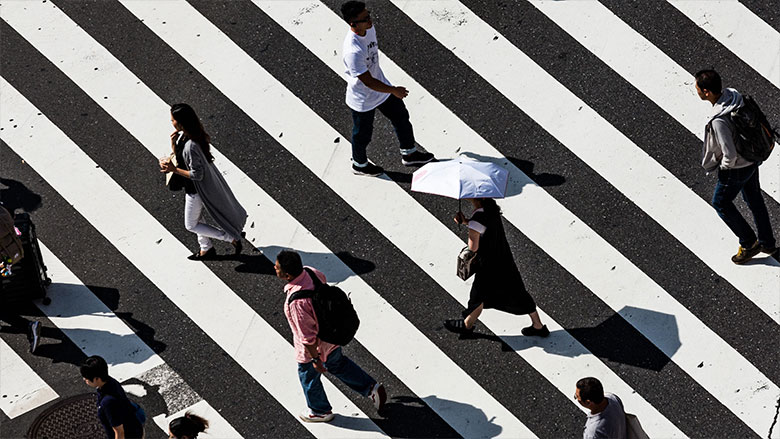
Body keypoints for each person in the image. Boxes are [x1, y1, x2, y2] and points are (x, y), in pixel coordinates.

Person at [274, 250, 386, 422]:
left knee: (308, 376)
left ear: (287, 274)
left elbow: (307, 337)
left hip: (315, 347)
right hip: (331, 334)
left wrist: (315, 360)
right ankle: (371, 388)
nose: (275, 267)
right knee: (338, 364)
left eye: (278, 267)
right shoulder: (311, 272)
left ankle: (320, 410)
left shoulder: (298, 302)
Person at [340, 1, 435, 176]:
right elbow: (368, 82)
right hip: (363, 98)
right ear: (353, 23)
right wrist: (393, 90)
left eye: (369, 15)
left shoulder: (369, 29)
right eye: (365, 18)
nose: (370, 20)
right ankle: (359, 164)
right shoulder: (353, 51)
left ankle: (409, 153)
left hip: (381, 87)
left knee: (401, 116)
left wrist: (389, 89)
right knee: (362, 134)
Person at [695, 69, 777, 264]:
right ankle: (767, 242)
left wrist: (724, 168)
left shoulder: (719, 121)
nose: (696, 90)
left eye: (698, 88)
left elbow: (729, 153)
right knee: (755, 200)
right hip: (752, 158)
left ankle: (749, 243)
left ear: (706, 92)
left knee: (721, 203)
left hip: (737, 168)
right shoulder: (734, 97)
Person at [444, 198, 548, 337]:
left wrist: (470, 228)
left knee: (478, 296)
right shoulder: (491, 210)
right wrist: (467, 222)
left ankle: (467, 325)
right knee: (518, 292)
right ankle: (538, 325)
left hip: (488, 266)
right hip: (503, 259)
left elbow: (473, 247)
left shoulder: (477, 219)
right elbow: (484, 228)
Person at [159, 103, 247, 260]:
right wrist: (173, 147)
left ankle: (231, 238)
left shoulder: (191, 144)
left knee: (191, 225)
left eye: (173, 120)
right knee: (197, 218)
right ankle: (206, 248)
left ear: (181, 122)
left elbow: (197, 174)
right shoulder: (186, 136)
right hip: (192, 188)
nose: (171, 123)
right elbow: (184, 159)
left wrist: (173, 170)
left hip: (196, 190)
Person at [80, 355, 145, 439]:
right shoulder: (111, 381)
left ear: (97, 379)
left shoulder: (108, 402)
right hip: (135, 428)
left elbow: (119, 432)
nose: (84, 379)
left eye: (86, 378)